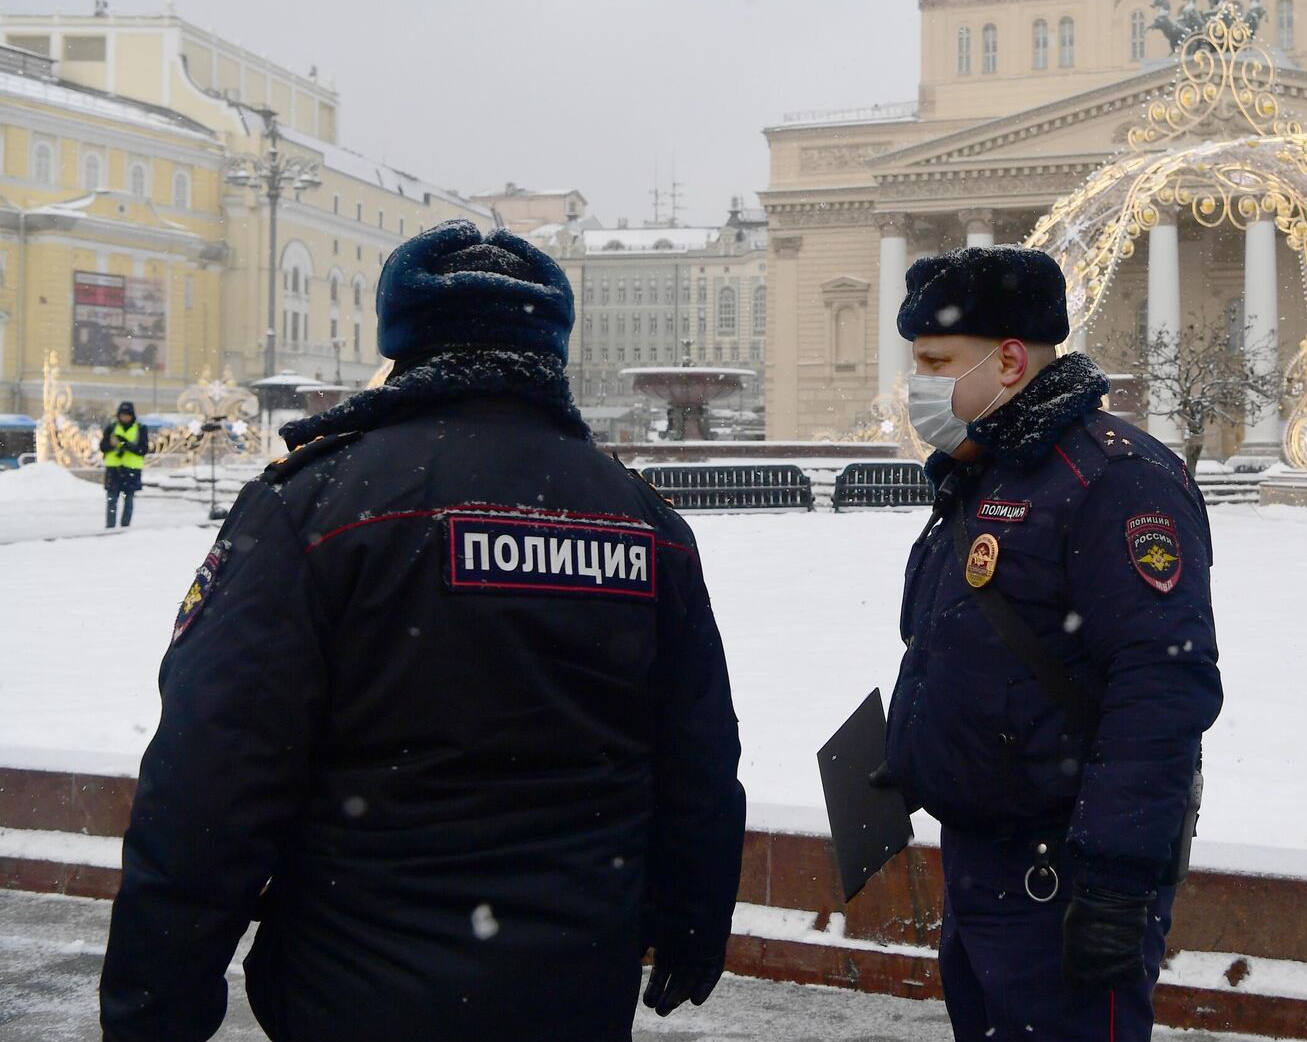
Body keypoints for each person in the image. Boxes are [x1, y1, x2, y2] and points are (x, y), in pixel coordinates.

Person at [100, 219, 747, 1041]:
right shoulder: (643, 522)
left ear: (402, 342)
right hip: (575, 983)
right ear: (551, 346)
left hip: (357, 981)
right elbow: (699, 755)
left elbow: (210, 775)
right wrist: (693, 916)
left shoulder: (320, 508)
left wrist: (155, 1003)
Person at [883, 245, 1222, 1041]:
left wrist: (1113, 880)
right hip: (982, 862)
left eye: (935, 361)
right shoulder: (986, 474)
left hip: (1062, 876)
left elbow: (1161, 685)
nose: (918, 385)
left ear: (1007, 361)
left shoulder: (1114, 479)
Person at [100, 401, 148, 528]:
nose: (125, 417)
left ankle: (125, 527)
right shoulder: (112, 428)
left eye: (127, 415)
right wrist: (112, 445)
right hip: (114, 469)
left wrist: (127, 445)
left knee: (129, 500)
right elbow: (103, 446)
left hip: (131, 469)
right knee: (112, 500)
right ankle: (110, 526)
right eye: (122, 414)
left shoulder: (140, 429)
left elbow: (143, 449)